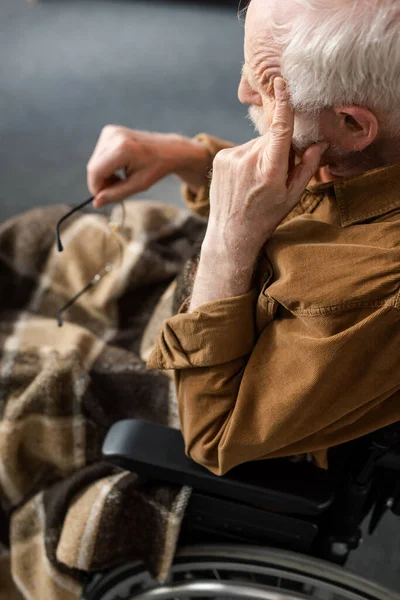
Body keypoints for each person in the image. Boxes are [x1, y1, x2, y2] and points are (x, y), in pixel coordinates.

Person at [87, 0, 400, 476]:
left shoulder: (376, 292)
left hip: (199, 393)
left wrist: (228, 240)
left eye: (265, 84)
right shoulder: (367, 153)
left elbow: (212, 438)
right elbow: (314, 202)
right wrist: (187, 157)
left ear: (354, 124)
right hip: (225, 297)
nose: (241, 92)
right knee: (33, 241)